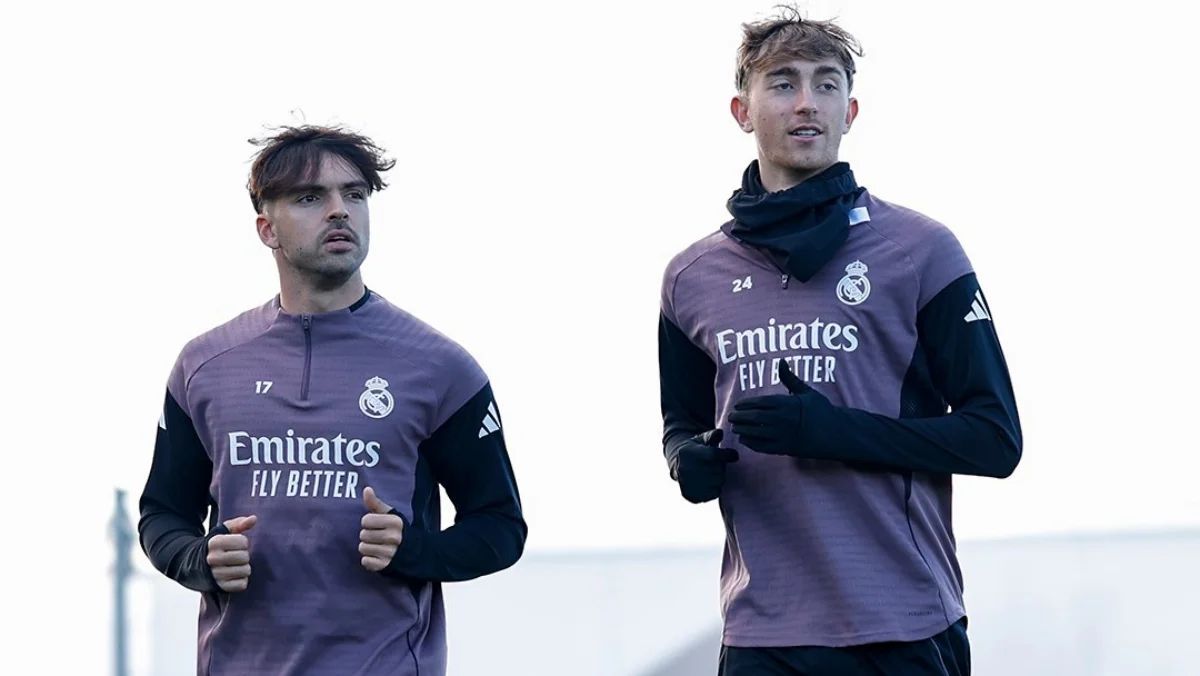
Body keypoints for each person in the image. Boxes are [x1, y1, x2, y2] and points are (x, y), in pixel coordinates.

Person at [657, 7, 1022, 675]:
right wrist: (687, 460)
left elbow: (996, 440)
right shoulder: (690, 276)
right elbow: (680, 422)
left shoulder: (921, 251)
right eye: (783, 83)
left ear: (850, 112)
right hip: (761, 635)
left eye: (827, 84)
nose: (807, 102)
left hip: (904, 626)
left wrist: (833, 432)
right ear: (741, 111)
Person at [137, 124, 527, 676]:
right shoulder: (204, 366)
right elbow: (162, 515)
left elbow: (500, 527)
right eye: (309, 197)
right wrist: (198, 558)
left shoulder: (440, 368)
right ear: (267, 228)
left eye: (355, 194)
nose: (339, 210)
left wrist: (416, 550)